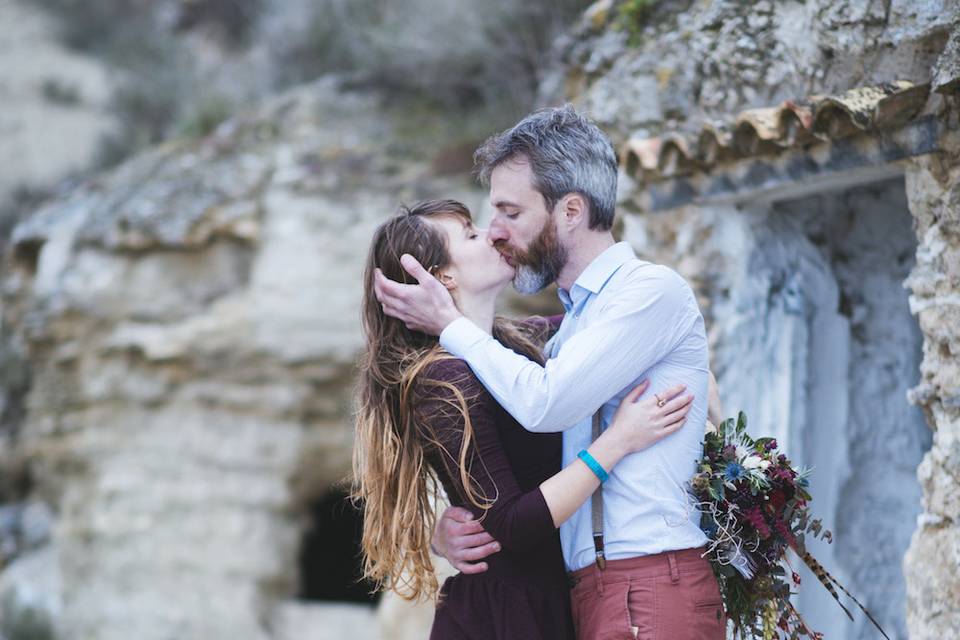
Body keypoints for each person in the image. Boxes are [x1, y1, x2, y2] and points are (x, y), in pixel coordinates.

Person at [374, 106, 727, 639]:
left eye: (509, 212)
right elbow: (496, 484)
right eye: (481, 225)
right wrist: (446, 527)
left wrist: (450, 322)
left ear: (569, 211)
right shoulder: (565, 328)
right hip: (584, 593)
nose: (495, 233)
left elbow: (546, 407)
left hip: (646, 581)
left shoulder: (646, 294)